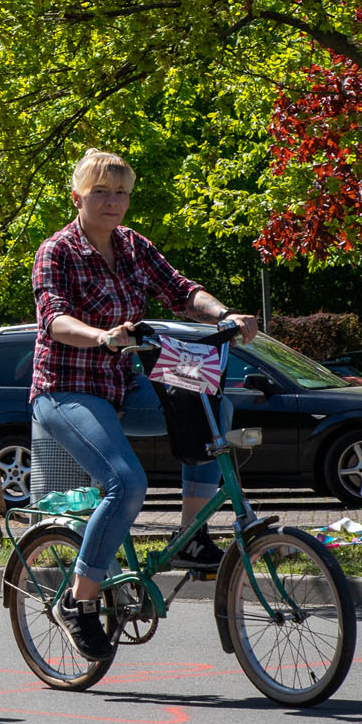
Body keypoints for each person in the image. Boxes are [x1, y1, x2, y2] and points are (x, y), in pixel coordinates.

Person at [29, 148, 259, 661]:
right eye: (101, 193)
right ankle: (79, 603)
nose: (113, 202)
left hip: (123, 388)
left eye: (122, 193)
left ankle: (192, 537)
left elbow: (181, 292)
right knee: (126, 483)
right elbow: (54, 321)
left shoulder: (134, 247)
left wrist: (225, 314)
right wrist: (101, 336)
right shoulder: (57, 251)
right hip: (66, 390)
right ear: (78, 197)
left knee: (210, 404)